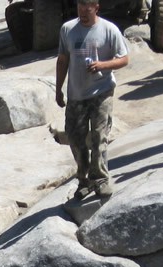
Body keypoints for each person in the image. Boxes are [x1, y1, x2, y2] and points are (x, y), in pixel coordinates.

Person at [55, 0, 129, 201]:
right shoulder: (68, 29)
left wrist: (103, 65)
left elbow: (124, 58)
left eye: (87, 7)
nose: (82, 11)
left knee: (99, 136)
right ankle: (84, 180)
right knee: (75, 138)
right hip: (76, 95)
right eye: (79, 6)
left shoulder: (109, 29)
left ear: (96, 7)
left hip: (101, 92)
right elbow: (62, 60)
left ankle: (101, 179)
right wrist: (58, 89)